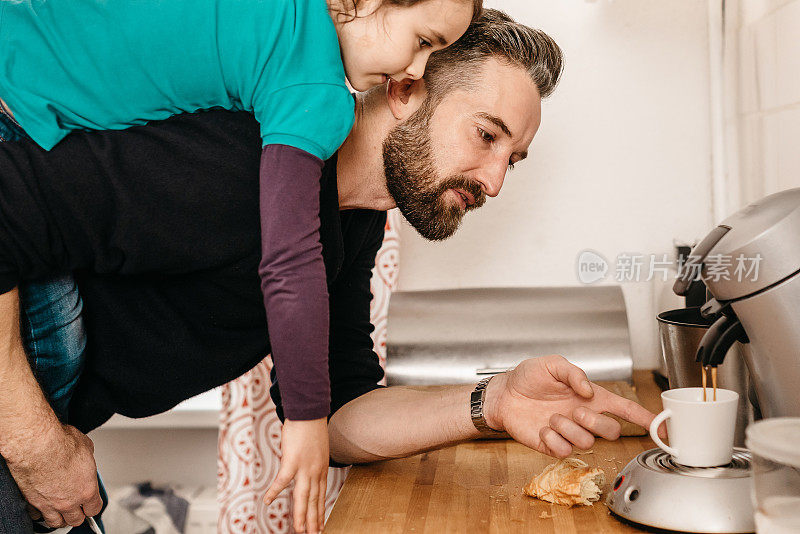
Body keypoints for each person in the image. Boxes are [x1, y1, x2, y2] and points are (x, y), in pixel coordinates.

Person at [0, 10, 659, 534]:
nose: (493, 182)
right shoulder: (243, 163)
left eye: (512, 160)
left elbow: (341, 414)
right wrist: (35, 445)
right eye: (486, 136)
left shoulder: (354, 218)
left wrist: (492, 403)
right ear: (406, 87)